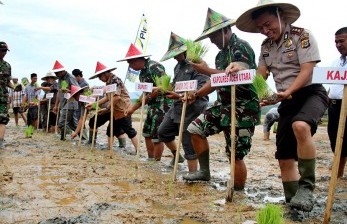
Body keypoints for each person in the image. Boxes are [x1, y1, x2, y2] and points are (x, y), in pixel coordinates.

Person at [227, 0, 329, 211]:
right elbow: (261, 75)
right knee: (284, 157)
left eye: (268, 24)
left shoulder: (303, 36)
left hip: (310, 93)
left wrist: (288, 92)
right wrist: (241, 67)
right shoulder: (266, 46)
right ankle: (293, 205)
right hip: (285, 100)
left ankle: (307, 188)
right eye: (261, 28)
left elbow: (307, 71)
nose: (265, 30)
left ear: (280, 15)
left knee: (300, 126)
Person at [182, 8, 260, 191]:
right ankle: (205, 172)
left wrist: (205, 70)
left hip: (243, 106)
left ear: (226, 31)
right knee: (195, 129)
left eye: (214, 36)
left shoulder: (241, 46)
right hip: (223, 104)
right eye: (209, 37)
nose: (212, 41)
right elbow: (217, 80)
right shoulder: (220, 55)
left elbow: (239, 70)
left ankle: (238, 191)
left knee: (235, 153)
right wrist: (198, 94)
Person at [158, 32, 209, 171]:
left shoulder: (198, 63)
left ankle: (193, 173)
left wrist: (186, 95)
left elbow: (202, 86)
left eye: (177, 53)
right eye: (173, 54)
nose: (175, 57)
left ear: (186, 51)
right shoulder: (177, 66)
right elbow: (177, 86)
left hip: (192, 108)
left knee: (187, 142)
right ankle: (176, 155)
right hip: (177, 107)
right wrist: (168, 90)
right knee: (162, 131)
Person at [118, 44, 173, 161]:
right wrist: (133, 108)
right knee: (147, 133)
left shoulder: (154, 67)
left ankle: (156, 162)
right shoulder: (142, 73)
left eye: (130, 63)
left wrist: (152, 94)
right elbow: (145, 93)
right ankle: (150, 159)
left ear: (137, 60)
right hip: (152, 105)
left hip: (162, 104)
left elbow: (165, 86)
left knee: (156, 135)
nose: (130, 67)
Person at [87, 61, 139, 152]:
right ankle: (109, 149)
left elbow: (117, 98)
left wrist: (107, 108)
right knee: (110, 130)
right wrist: (94, 104)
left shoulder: (115, 80)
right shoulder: (108, 82)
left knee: (129, 130)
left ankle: (138, 151)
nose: (99, 79)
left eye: (100, 76)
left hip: (124, 109)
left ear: (105, 73)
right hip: (115, 110)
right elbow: (108, 97)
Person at [326, 27, 347, 178]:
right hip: (334, 106)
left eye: (342, 41)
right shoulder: (335, 63)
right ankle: (338, 175)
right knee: (336, 141)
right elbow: (331, 86)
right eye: (336, 42)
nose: (338, 45)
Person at [51, 60, 79, 140]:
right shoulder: (60, 79)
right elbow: (59, 93)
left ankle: (63, 138)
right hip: (63, 103)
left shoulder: (71, 78)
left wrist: (69, 91)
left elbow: (78, 90)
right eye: (55, 73)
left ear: (62, 71)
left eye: (57, 73)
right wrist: (56, 105)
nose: (56, 75)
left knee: (61, 123)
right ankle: (83, 137)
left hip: (71, 102)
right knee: (72, 124)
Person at [0, 41, 14, 149]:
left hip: (2, 97)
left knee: (2, 119)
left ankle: (0, 142)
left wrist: (15, 87)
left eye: (5, 51)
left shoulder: (7, 65)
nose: (4, 53)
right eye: (2, 50)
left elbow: (8, 81)